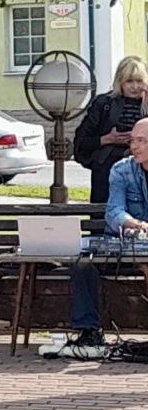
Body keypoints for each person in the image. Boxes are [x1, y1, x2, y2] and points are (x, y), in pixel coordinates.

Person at [68, 117, 148, 348]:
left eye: (141, 141)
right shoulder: (121, 169)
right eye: (132, 141)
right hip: (122, 243)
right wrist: (133, 224)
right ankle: (89, 331)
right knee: (82, 261)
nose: (134, 146)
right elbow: (114, 212)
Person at [74, 56, 148, 203]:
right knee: (106, 211)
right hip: (106, 171)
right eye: (129, 81)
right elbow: (80, 144)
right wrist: (107, 139)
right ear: (120, 81)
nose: (135, 87)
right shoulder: (103, 104)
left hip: (142, 171)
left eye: (139, 81)